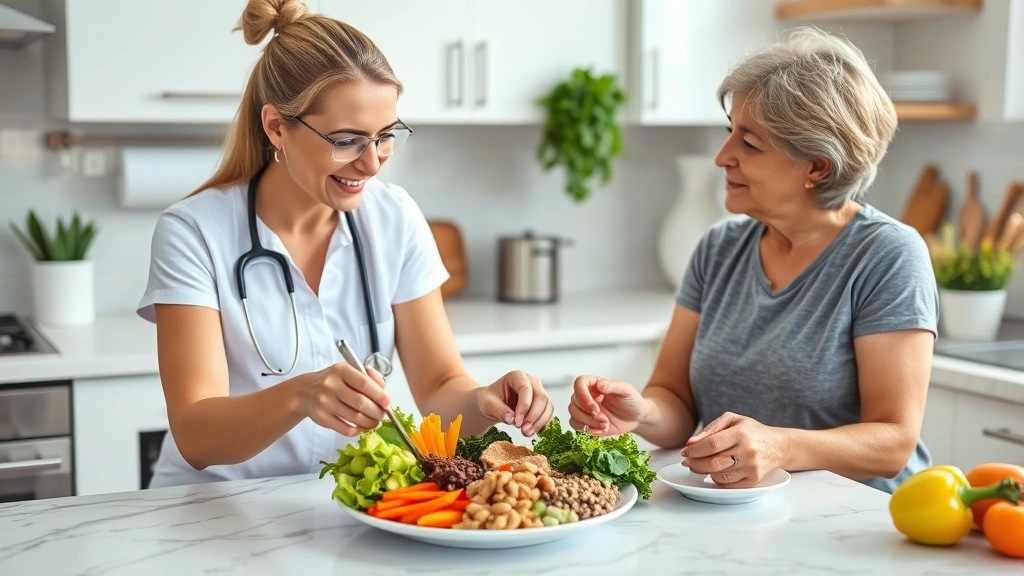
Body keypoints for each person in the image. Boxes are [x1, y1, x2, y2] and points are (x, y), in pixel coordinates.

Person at [137, 0, 552, 487]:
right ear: (276, 126)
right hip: (212, 513)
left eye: (385, 136)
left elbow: (440, 386)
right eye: (347, 139)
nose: (372, 163)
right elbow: (195, 433)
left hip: (339, 506)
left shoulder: (394, 218)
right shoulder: (193, 232)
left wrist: (483, 399)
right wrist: (301, 396)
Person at [568, 27, 938, 493]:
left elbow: (893, 443)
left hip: (860, 520)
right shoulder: (719, 248)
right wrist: (641, 412)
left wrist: (778, 446)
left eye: (750, 143)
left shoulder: (887, 256)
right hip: (745, 512)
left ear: (818, 166)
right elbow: (675, 398)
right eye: (729, 133)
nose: (723, 157)